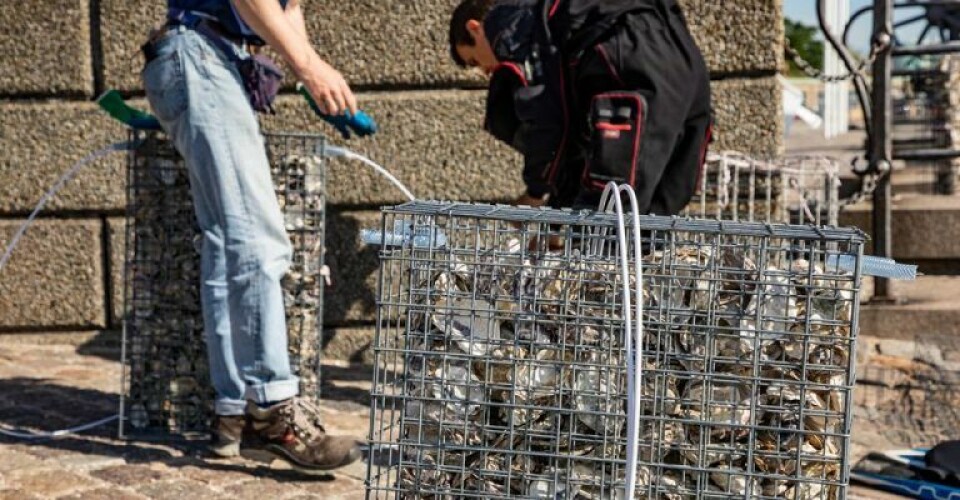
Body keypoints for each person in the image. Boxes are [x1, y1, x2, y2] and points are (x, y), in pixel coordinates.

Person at [140, 0, 360, 472]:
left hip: (205, 56)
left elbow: (289, 6)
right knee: (257, 242)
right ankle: (274, 408)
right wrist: (311, 66)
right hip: (199, 53)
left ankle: (234, 413)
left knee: (227, 244)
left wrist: (310, 78)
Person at [449, 0, 713, 215]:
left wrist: (535, 192)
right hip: (685, 61)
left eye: (474, 60)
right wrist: (555, 213)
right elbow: (573, 137)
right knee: (658, 209)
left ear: (474, 28)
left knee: (606, 215)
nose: (485, 71)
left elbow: (551, 120)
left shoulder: (506, 24)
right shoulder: (559, 19)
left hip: (629, 58)